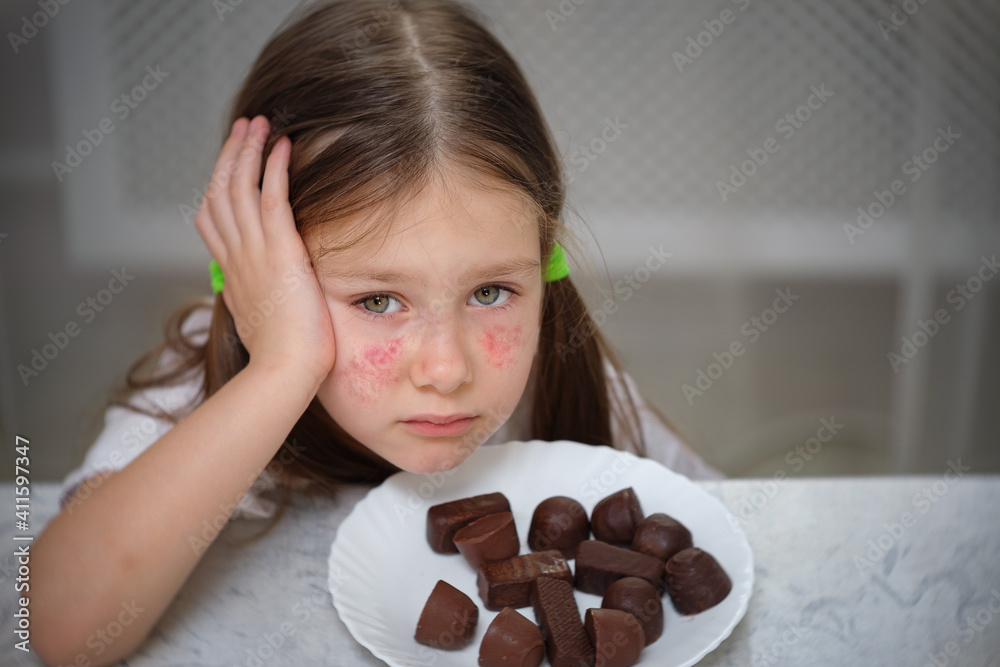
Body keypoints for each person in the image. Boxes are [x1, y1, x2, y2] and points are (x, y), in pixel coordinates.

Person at [29, 0, 720, 663]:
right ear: (266, 277)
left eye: (490, 291)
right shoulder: (209, 385)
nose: (446, 370)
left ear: (544, 268)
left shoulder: (566, 385)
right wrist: (280, 367)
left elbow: (722, 529)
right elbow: (59, 627)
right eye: (379, 300)